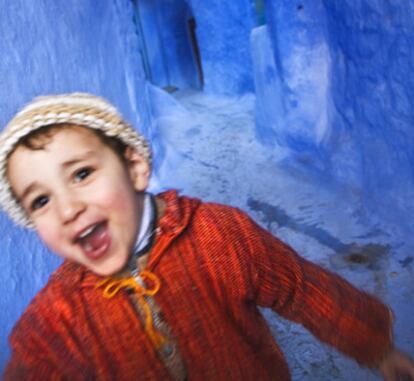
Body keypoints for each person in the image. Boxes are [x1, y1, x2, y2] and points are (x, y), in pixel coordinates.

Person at [0, 93, 413, 381]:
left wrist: (377, 348)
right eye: (40, 201)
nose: (68, 209)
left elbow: (300, 288)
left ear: (135, 168)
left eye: (82, 174)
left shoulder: (217, 236)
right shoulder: (56, 323)